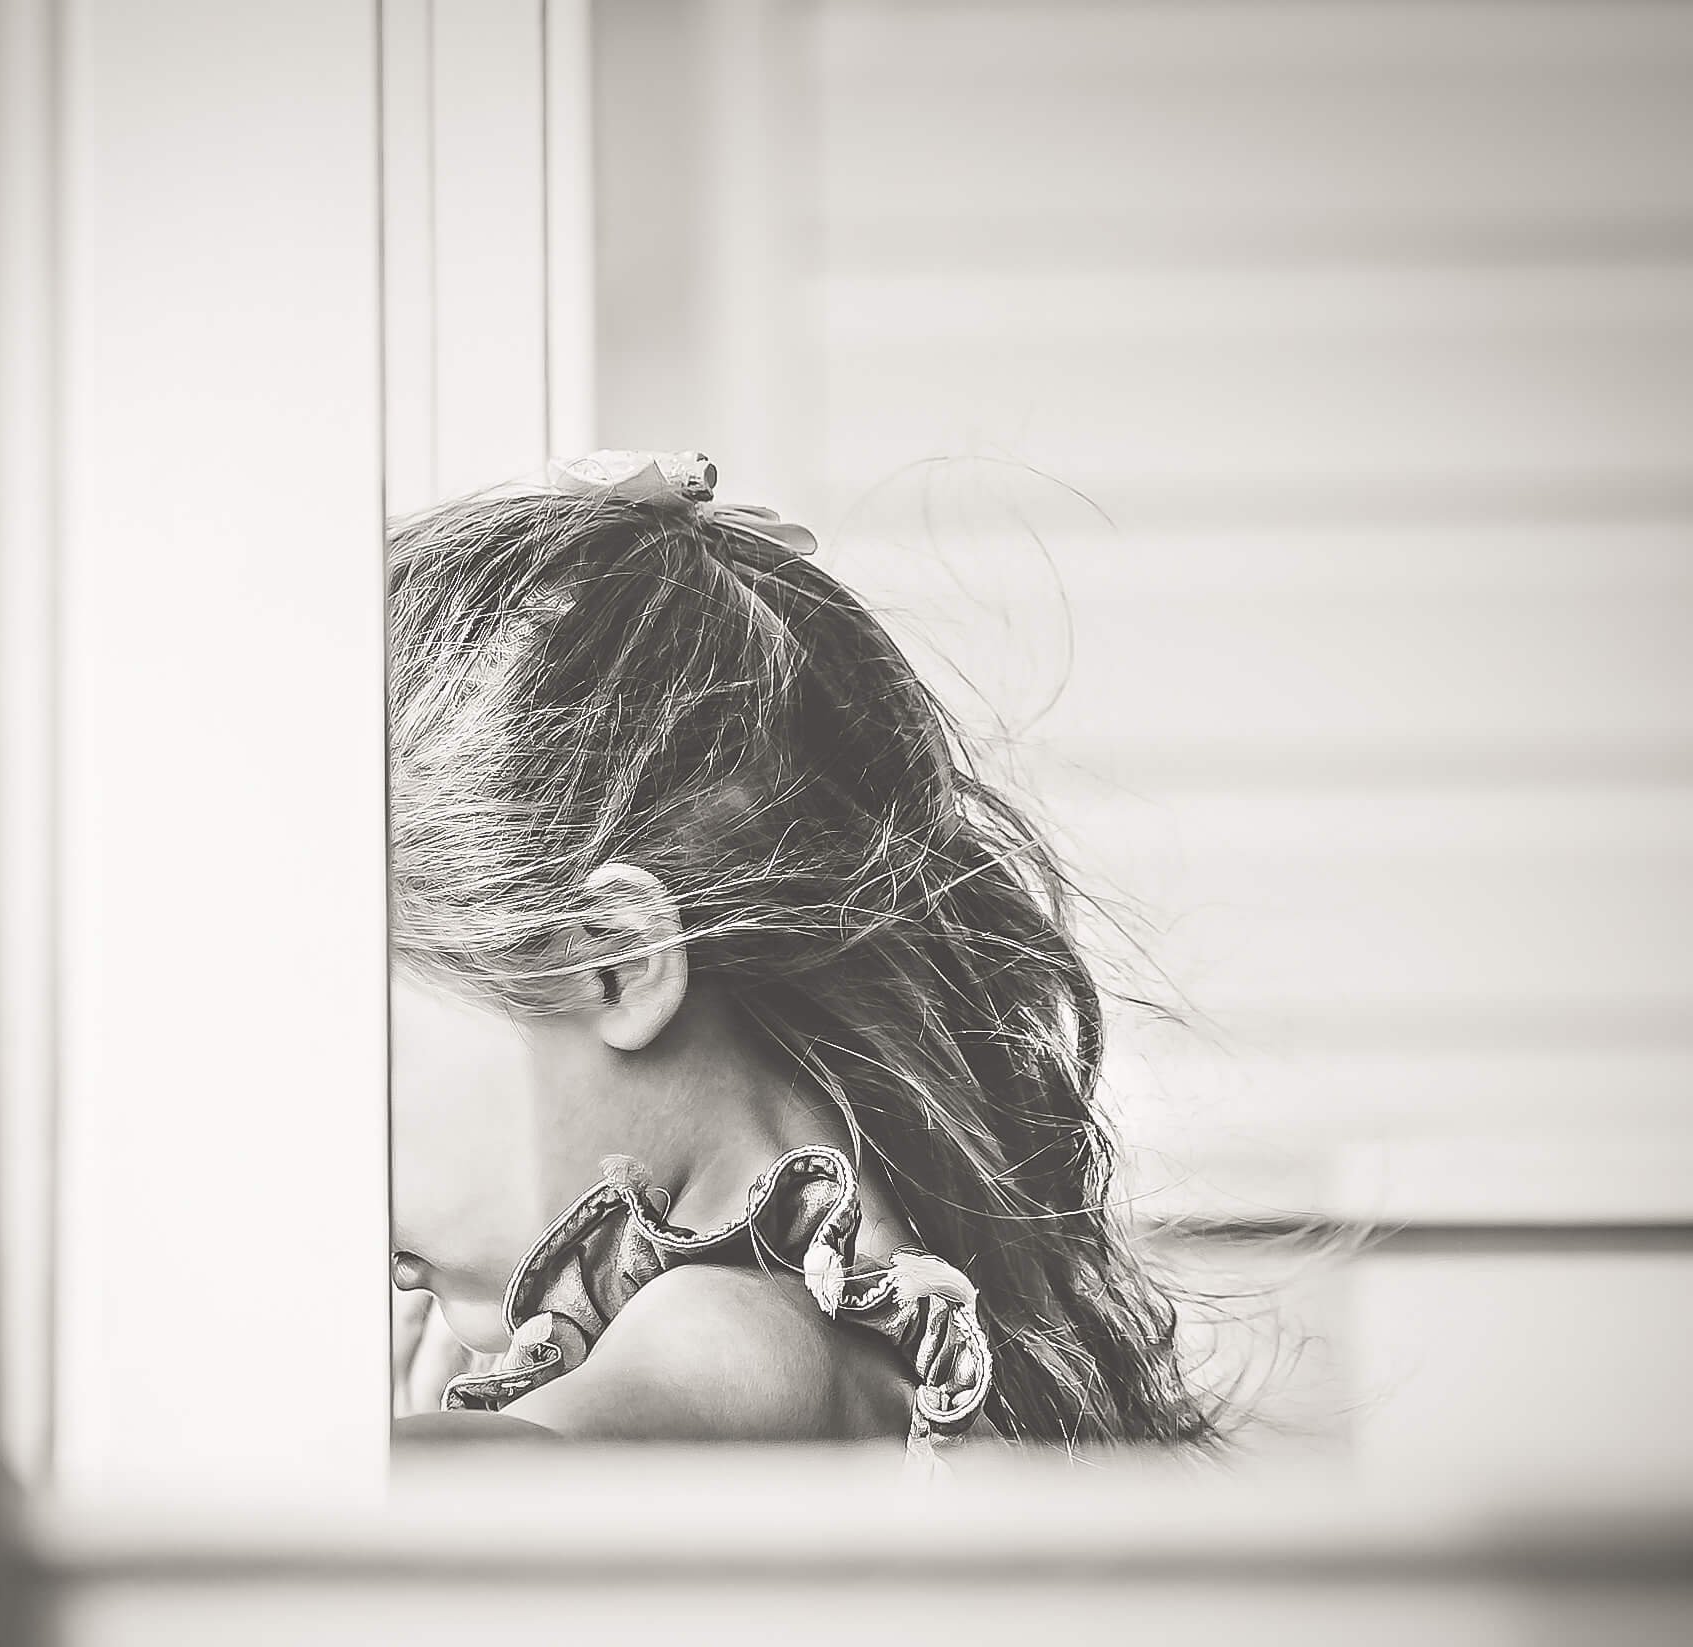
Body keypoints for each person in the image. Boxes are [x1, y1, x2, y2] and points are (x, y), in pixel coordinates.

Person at [385, 451, 1223, 1476]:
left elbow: (364, 1510)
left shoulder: (739, 1338)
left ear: (613, 963)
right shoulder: (818, 1314)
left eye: (353, 1063)